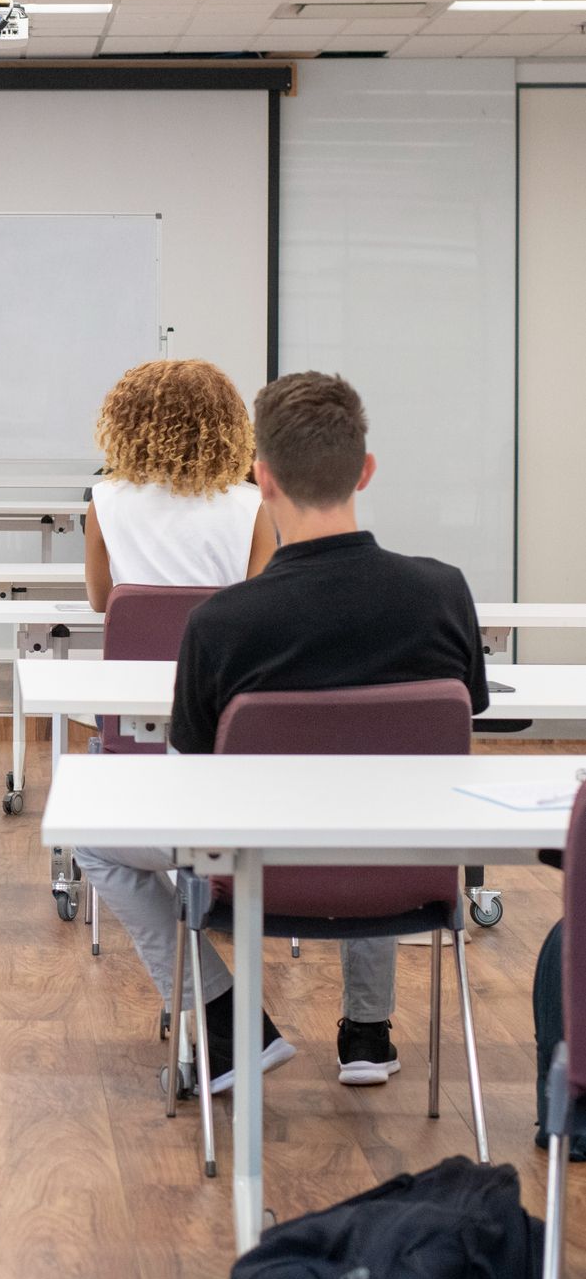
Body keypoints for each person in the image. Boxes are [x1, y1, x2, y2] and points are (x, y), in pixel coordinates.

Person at [78, 373, 488, 1094]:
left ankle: (226, 1021)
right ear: (365, 470)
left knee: (88, 834)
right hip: (399, 869)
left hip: (257, 865)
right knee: (382, 803)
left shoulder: (223, 623)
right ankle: (367, 1030)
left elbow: (192, 776)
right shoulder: (443, 591)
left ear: (261, 478)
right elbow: (460, 725)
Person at [82, 359, 274, 613]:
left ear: (130, 426)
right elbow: (258, 605)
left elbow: (100, 602)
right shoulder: (255, 506)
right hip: (219, 651)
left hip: (135, 650)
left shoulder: (105, 500)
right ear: (226, 426)